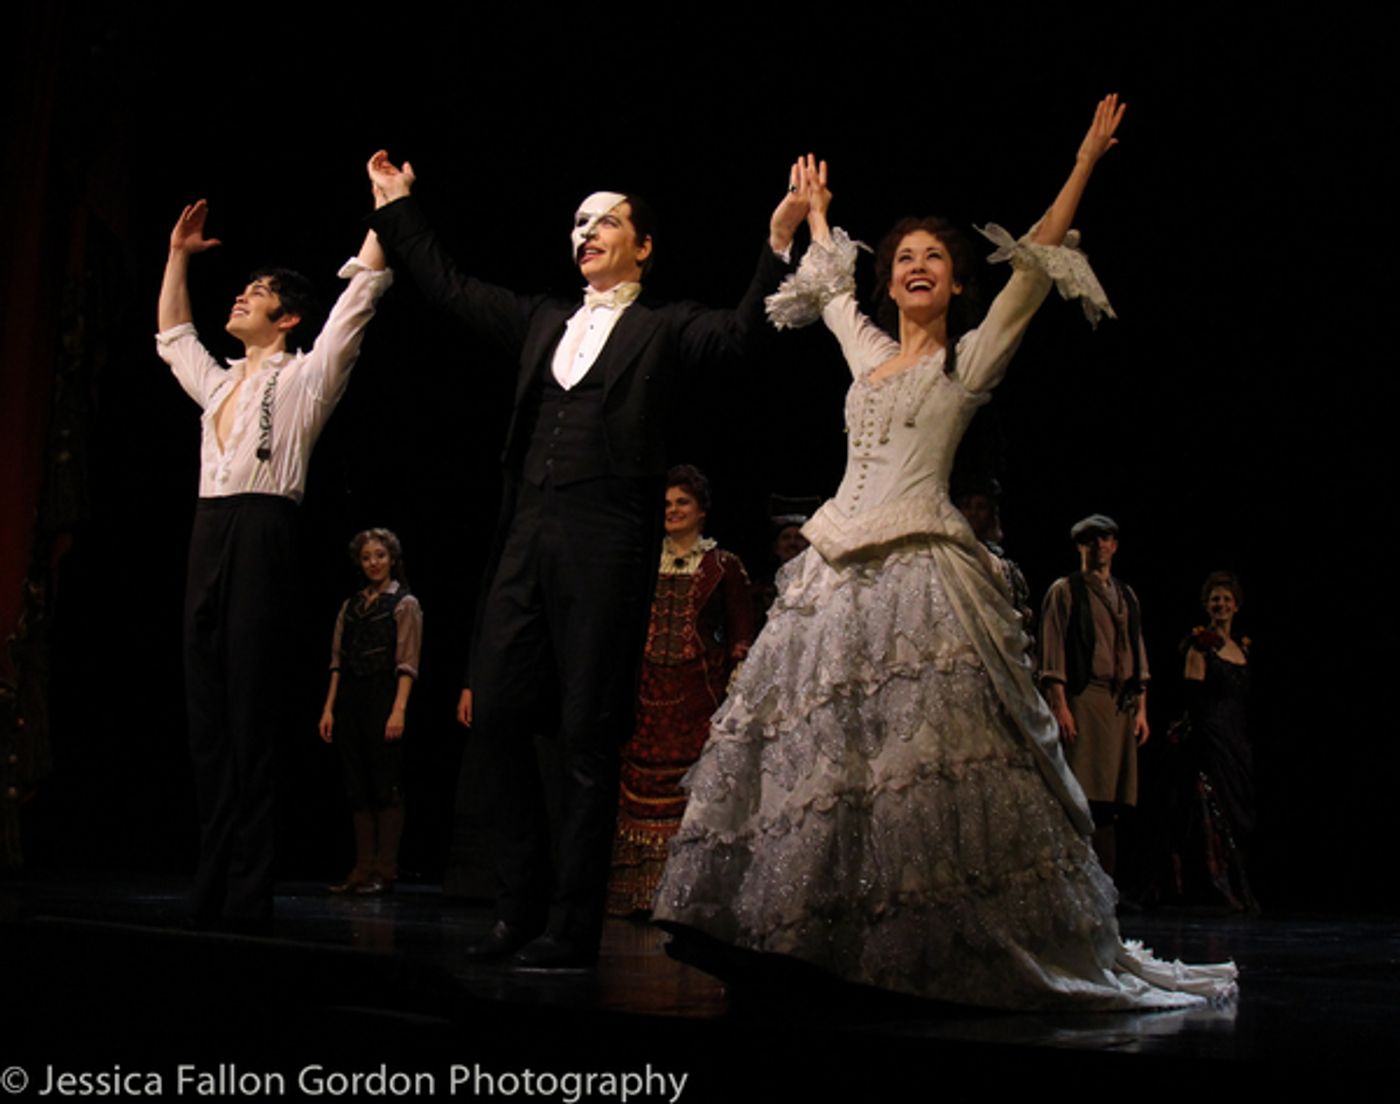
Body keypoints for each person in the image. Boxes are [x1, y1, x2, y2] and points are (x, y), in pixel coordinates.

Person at [655, 98, 1236, 1010]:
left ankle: (926, 946)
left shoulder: (969, 361)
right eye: (904, 259)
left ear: (957, 283)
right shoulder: (866, 353)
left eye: (934, 258)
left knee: (922, 769)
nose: (917, 266)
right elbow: (830, 292)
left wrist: (1083, 157)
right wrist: (813, 215)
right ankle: (820, 939)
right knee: (831, 763)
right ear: (890, 281)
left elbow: (1036, 267)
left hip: (924, 567)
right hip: (835, 571)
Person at [364, 152, 805, 969]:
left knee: (586, 733)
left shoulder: (664, 327)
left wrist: (776, 244)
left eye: (603, 220)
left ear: (643, 247)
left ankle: (570, 924)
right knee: (494, 715)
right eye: (577, 223)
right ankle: (517, 904)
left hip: (606, 533)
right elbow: (450, 288)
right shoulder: (542, 319)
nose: (585, 232)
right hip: (526, 528)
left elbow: (745, 336)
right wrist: (397, 209)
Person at [156, 200, 392, 932]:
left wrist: (387, 215)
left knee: (252, 717)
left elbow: (357, 303)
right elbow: (173, 335)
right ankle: (209, 875)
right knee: (207, 721)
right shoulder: (221, 382)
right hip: (209, 532)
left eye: (258, 292)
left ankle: (251, 885)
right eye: (245, 288)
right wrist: (177, 256)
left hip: (263, 534)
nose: (243, 296)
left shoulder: (305, 379)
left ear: (288, 318)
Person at [608, 466, 753, 916]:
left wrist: (737, 687)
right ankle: (636, 894)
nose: (672, 511)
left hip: (698, 699)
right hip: (646, 694)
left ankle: (683, 899)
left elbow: (741, 634)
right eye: (667, 504)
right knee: (634, 782)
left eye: (682, 503)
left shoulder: (722, 565)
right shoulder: (643, 562)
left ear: (702, 512)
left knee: (691, 787)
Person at [1040, 513, 1149, 879]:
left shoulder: (1126, 594)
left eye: (1105, 539)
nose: (1099, 545)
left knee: (1110, 804)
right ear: (1080, 547)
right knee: (1082, 795)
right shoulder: (1066, 590)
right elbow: (1052, 653)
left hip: (1119, 704)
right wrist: (1061, 704)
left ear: (1114, 545)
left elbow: (1138, 652)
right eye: (1091, 540)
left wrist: (1141, 709)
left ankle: (1107, 887)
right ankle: (1080, 883)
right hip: (1084, 699)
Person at [319, 529, 423, 896]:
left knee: (384, 784)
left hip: (383, 697)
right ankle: (362, 868)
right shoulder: (351, 607)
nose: (373, 563)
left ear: (391, 558)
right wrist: (329, 708)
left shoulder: (404, 603)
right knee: (357, 786)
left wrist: (399, 710)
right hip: (350, 699)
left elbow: (407, 662)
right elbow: (337, 662)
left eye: (380, 555)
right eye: (366, 557)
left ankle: (385, 869)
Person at [1178, 571, 1257, 911]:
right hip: (1211, 734)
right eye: (1215, 599)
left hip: (1236, 735)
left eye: (1226, 599)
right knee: (1212, 807)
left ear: (1236, 606)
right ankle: (1215, 888)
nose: (1220, 604)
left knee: (1239, 808)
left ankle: (1240, 883)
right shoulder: (1200, 645)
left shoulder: (1242, 648)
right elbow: (1192, 695)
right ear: (1207, 606)